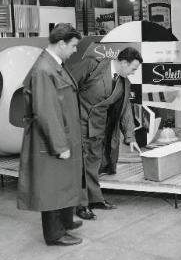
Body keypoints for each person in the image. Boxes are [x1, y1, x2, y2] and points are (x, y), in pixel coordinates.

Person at [17, 23, 84, 246]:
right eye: (73, 46)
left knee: (64, 182)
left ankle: (65, 221)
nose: (75, 50)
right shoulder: (44, 70)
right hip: (52, 140)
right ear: (62, 43)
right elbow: (46, 111)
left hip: (65, 135)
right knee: (52, 187)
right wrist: (59, 145)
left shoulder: (56, 64)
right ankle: (54, 234)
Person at [70, 47, 142, 220]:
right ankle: (81, 205)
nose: (133, 73)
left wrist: (130, 137)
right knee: (79, 167)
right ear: (123, 63)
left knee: (94, 163)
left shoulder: (124, 83)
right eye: (133, 69)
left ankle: (94, 199)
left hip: (98, 128)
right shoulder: (92, 66)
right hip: (77, 123)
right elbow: (66, 85)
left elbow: (125, 111)